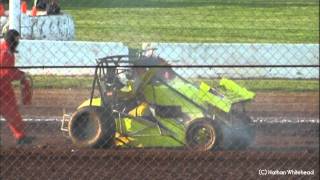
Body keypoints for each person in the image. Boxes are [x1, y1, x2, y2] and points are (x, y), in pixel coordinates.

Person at [0, 29, 34, 145]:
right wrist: (20, 75)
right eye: (17, 39)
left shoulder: (8, 50)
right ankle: (20, 137)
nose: (18, 42)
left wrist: (20, 74)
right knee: (11, 110)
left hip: (4, 85)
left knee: (13, 110)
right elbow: (5, 72)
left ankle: (20, 137)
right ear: (12, 40)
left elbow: (8, 72)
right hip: (2, 83)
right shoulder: (4, 52)